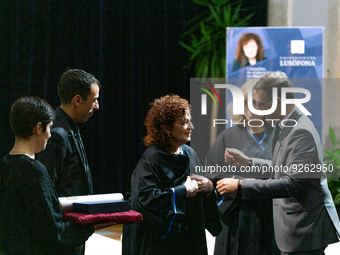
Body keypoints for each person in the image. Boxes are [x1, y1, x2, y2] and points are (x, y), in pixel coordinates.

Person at [217, 71, 340, 254]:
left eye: (260, 104)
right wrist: (248, 162)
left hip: (305, 230)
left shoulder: (301, 132)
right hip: (295, 229)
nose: (256, 109)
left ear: (278, 102)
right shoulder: (285, 124)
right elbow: (279, 168)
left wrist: (240, 185)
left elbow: (290, 183)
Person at [122, 95, 222, 255]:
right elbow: (146, 199)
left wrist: (209, 188)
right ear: (166, 128)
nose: (191, 127)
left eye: (189, 121)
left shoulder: (191, 154)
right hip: (163, 242)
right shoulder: (152, 159)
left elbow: (203, 199)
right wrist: (183, 191)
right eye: (183, 122)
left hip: (191, 238)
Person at [0, 96, 95, 254]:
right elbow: (54, 233)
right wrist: (92, 225)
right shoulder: (35, 171)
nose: (50, 135)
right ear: (38, 128)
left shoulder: (3, 166)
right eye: (49, 128)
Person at [205, 79, 279, 255]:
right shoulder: (227, 136)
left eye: (257, 103)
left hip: (271, 216)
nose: (251, 109)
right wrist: (236, 182)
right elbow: (211, 172)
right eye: (246, 103)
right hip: (236, 217)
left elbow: (286, 173)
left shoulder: (279, 136)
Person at [37, 69, 100, 197]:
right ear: (77, 100)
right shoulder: (56, 134)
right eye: (94, 100)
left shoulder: (70, 125)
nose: (97, 106)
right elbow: (47, 191)